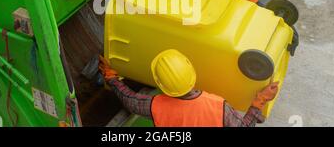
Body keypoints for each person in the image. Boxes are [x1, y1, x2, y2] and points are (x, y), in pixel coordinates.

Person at [99, 50, 279, 127]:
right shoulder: (217, 106)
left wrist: (111, 78)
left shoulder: (155, 105)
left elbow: (130, 101)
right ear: (192, 74)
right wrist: (259, 100)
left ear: (161, 84)